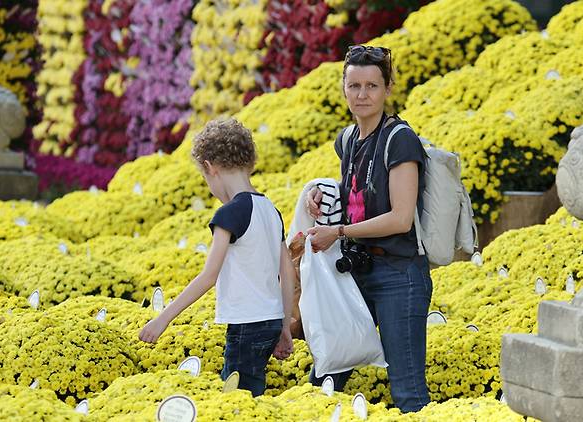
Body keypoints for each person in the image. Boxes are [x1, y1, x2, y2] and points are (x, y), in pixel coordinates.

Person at [305, 45, 433, 412]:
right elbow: (359, 193)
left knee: (408, 391)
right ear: (343, 88)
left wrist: (340, 232)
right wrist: (321, 193)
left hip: (399, 274)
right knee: (326, 376)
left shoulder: (400, 140)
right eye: (354, 86)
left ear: (388, 88)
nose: (362, 95)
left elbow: (401, 218)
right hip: (358, 272)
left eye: (372, 86)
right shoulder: (347, 140)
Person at [139, 117, 295, 397]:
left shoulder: (229, 214)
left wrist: (163, 319)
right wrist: (284, 325)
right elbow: (288, 272)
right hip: (270, 321)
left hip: (246, 325)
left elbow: (208, 276)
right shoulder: (270, 209)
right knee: (253, 394)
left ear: (211, 168)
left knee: (237, 401)